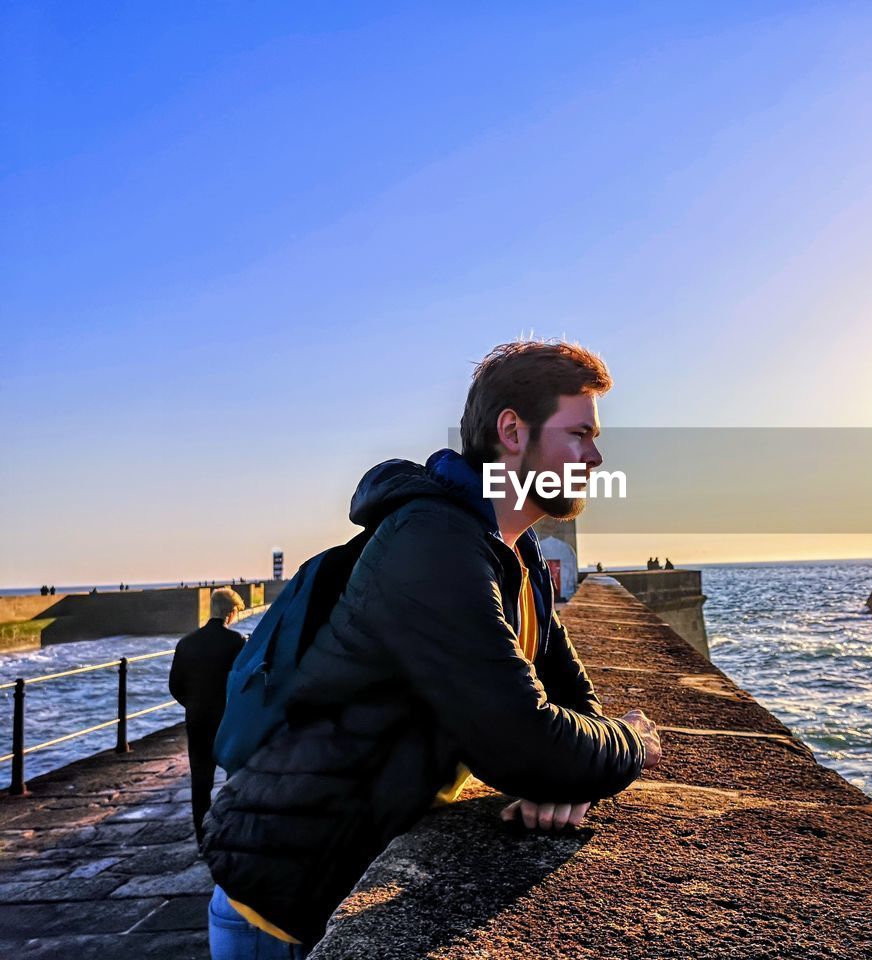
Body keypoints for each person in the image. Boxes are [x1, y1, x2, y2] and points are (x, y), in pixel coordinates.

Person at [200, 339, 663, 956]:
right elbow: (525, 742)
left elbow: (572, 702)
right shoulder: (432, 544)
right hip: (284, 902)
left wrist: (571, 768)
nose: (596, 456)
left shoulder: (516, 551)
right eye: (579, 433)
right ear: (513, 431)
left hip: (352, 863)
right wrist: (632, 742)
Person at [169, 587, 247, 846]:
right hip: (227, 721)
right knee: (232, 778)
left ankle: (203, 839)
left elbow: (175, 686)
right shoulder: (236, 641)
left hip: (197, 720)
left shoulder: (186, 643)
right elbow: (242, 682)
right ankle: (229, 830)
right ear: (229, 612)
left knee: (200, 782)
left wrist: (193, 704)